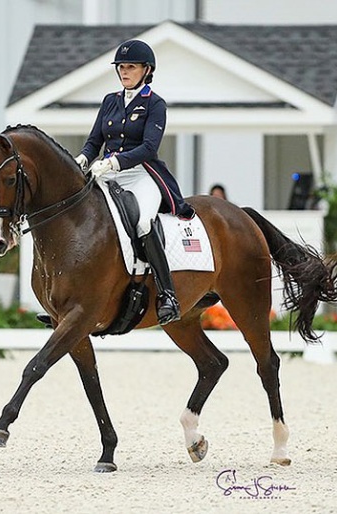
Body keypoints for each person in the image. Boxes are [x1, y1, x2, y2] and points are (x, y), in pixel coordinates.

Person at [75, 39, 194, 326]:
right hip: (107, 173)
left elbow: (149, 148)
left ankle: (167, 295)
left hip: (141, 174)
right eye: (121, 67)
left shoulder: (155, 104)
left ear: (146, 70)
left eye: (130, 67)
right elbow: (95, 141)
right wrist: (82, 159)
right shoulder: (110, 101)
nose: (124, 72)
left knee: (142, 222)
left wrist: (114, 162)